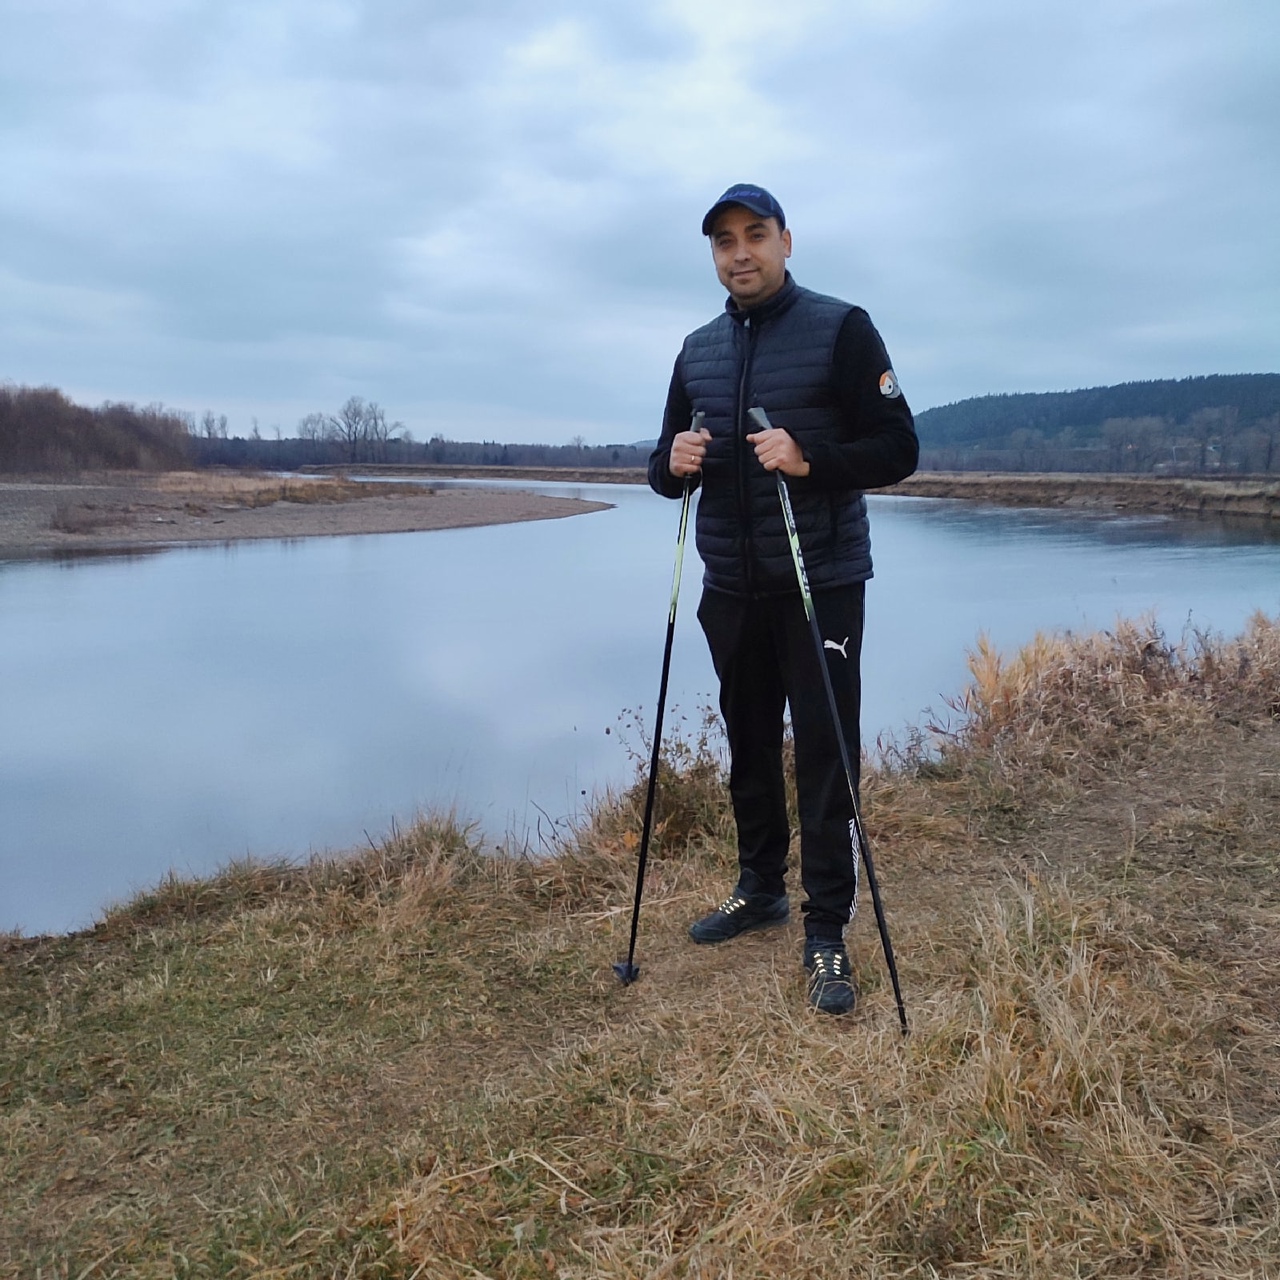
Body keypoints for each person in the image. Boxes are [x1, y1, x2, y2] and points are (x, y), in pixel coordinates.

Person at [647, 183, 918, 1015]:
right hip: (731, 587)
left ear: (786, 242)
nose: (740, 253)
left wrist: (808, 459)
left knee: (827, 752)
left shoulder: (842, 328)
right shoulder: (697, 350)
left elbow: (899, 447)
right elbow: (662, 467)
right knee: (750, 743)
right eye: (724, 240)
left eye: (755, 235)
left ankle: (826, 925)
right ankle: (760, 886)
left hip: (820, 582)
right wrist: (672, 465)